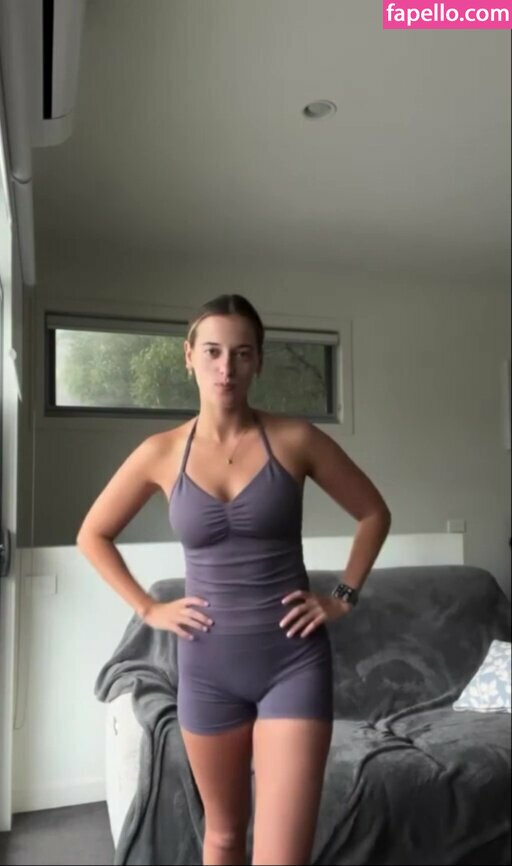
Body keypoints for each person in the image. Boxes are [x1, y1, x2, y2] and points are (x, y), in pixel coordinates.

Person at [77, 294, 391, 866]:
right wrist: (149, 608)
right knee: (222, 836)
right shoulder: (160, 452)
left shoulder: (295, 439)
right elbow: (92, 534)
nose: (227, 368)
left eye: (242, 353)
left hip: (293, 663)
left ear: (258, 361)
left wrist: (343, 596)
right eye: (214, 352)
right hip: (207, 668)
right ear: (189, 356)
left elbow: (374, 513)